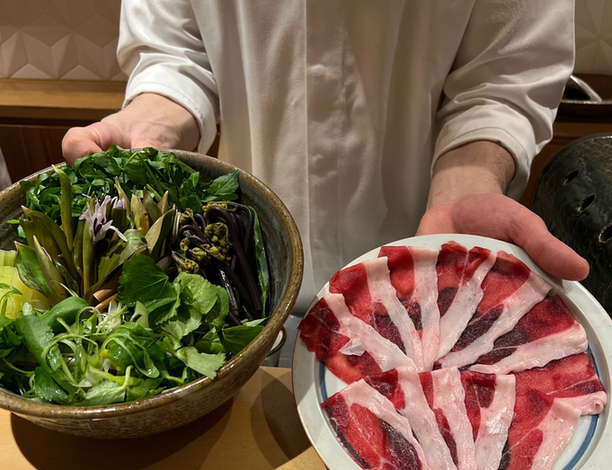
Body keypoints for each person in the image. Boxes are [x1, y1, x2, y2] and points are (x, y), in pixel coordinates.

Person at [62, 0, 588, 314]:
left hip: (421, 257)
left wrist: (468, 184)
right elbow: (178, 50)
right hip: (241, 270)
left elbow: (504, 76)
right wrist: (155, 120)